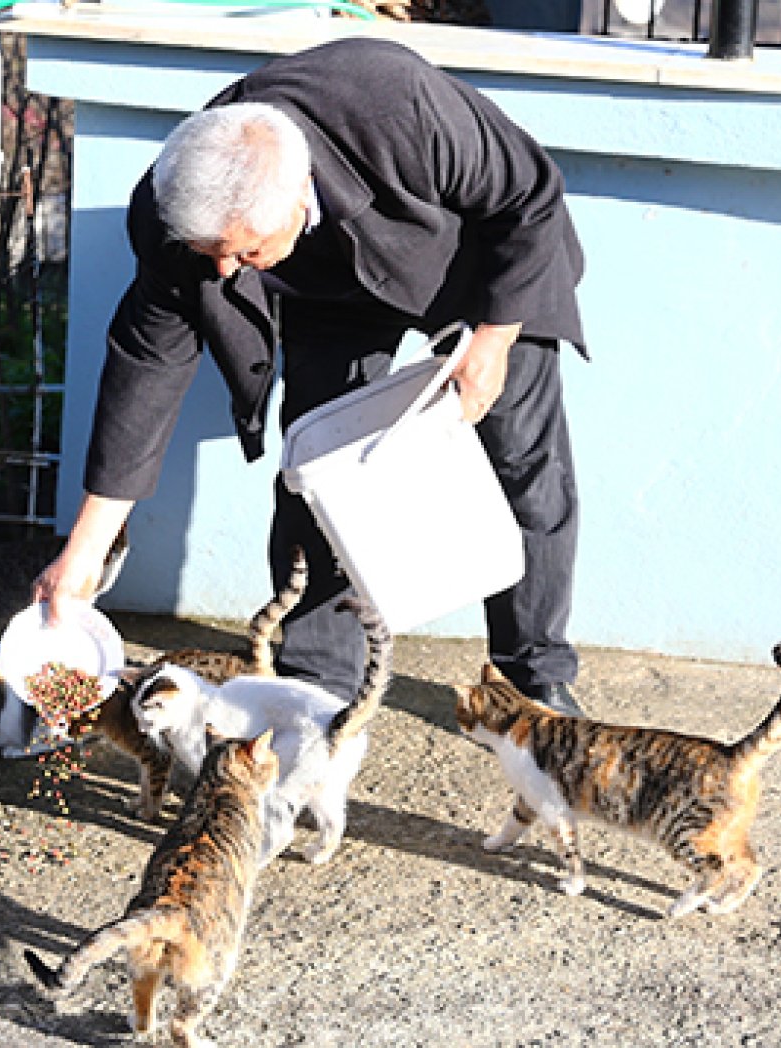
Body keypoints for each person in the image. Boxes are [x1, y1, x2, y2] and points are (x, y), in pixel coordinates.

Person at [31, 36, 588, 717]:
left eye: (244, 251)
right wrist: (84, 550)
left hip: (481, 266)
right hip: (330, 300)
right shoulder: (174, 210)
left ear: (298, 194)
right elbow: (146, 367)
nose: (226, 273)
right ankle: (315, 682)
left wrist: (494, 340)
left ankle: (531, 676)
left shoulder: (393, 103)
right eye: (211, 254)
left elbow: (528, 196)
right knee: (318, 472)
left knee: (524, 463)